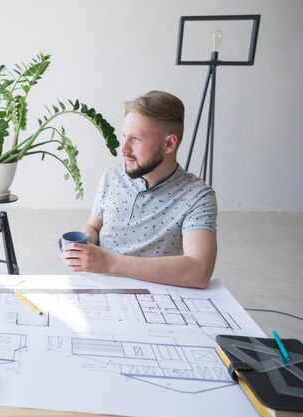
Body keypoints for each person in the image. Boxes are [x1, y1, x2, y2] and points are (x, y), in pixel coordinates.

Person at [61, 90, 217, 289]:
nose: (124, 148)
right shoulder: (113, 174)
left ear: (169, 144)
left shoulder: (197, 196)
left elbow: (199, 270)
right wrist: (85, 242)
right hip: (97, 289)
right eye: (124, 136)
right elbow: (93, 226)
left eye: (136, 139)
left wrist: (110, 262)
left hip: (153, 298)